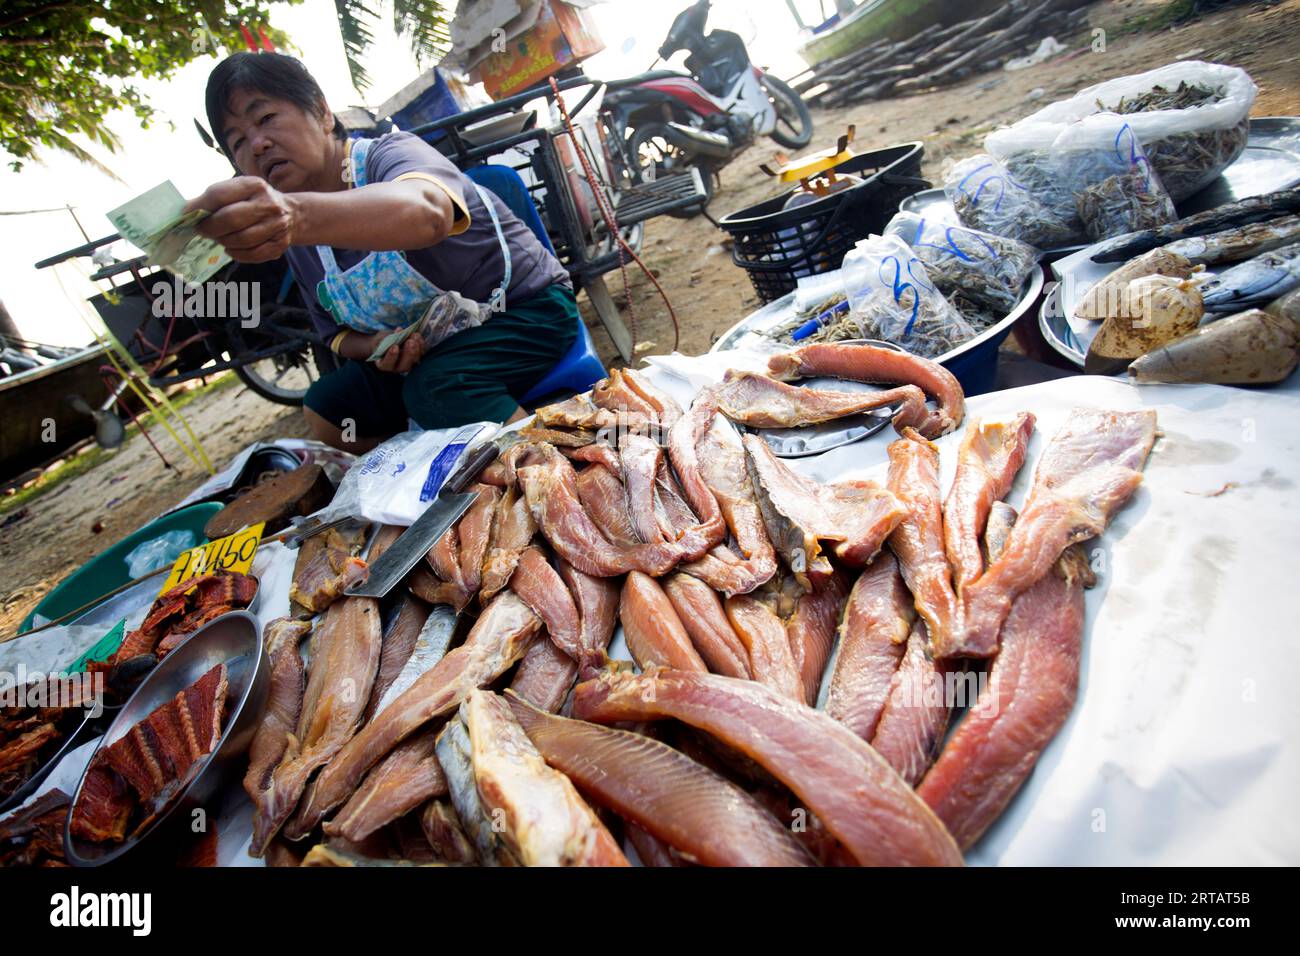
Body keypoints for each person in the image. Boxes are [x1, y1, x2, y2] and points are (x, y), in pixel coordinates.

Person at [188, 52, 579, 452]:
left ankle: (546, 470)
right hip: (432, 352)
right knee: (328, 408)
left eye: (266, 118)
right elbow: (335, 335)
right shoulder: (296, 238)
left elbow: (429, 212)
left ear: (322, 113)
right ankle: (426, 473)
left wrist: (297, 217)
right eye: (237, 141)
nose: (258, 143)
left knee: (437, 388)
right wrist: (378, 346)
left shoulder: (388, 156)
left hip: (526, 312)